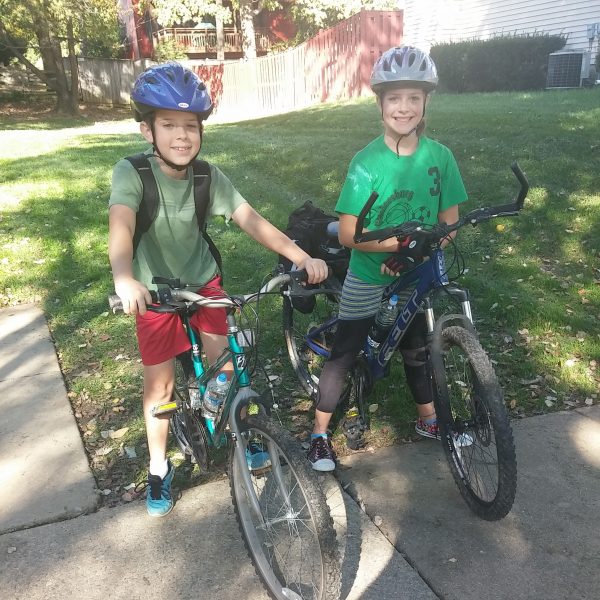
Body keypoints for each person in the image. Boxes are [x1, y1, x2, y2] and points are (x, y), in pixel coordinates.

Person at [108, 62, 328, 516]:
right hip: (152, 290)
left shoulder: (208, 176)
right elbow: (121, 226)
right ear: (147, 130)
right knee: (161, 385)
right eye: (169, 125)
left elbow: (251, 220)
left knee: (224, 362)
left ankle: (241, 430)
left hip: (203, 280)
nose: (182, 136)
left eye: (190, 126)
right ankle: (157, 467)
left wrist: (299, 257)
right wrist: (124, 277)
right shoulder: (132, 173)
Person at [307, 46, 468, 471]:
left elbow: (449, 224)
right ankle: (319, 434)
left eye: (414, 97)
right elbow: (347, 233)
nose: (404, 107)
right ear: (380, 104)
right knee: (345, 351)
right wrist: (397, 246)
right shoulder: (367, 162)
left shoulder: (441, 157)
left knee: (416, 348)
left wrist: (426, 248)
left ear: (426, 102)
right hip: (367, 272)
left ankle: (428, 421)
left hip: (415, 274)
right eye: (395, 98)